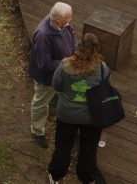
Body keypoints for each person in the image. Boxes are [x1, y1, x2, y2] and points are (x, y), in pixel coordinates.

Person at [47, 33, 110, 184]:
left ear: (79, 45)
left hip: (67, 114)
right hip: (92, 117)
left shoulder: (65, 65)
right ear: (97, 49)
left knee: (63, 146)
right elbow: (107, 90)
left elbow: (56, 85)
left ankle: (56, 176)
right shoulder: (102, 69)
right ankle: (86, 178)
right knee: (88, 148)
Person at [28, 2, 77, 148]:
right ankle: (37, 131)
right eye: (68, 17)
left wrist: (75, 52)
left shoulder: (65, 24)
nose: (71, 19)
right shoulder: (43, 36)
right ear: (57, 20)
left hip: (64, 73)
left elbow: (73, 38)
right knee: (41, 103)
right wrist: (66, 62)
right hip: (47, 79)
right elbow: (44, 64)